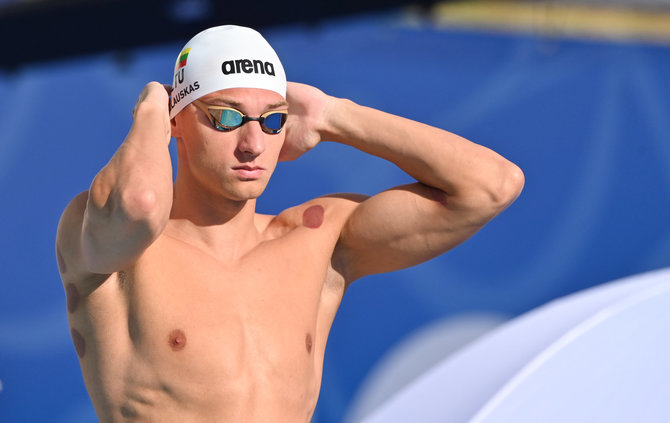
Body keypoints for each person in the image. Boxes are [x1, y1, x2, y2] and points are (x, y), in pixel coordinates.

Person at [56, 25, 524, 423]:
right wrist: (153, 111)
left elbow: (491, 187)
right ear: (178, 122)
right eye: (225, 117)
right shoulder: (115, 249)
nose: (253, 144)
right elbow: (139, 204)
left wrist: (333, 114)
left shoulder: (316, 242)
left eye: (273, 121)